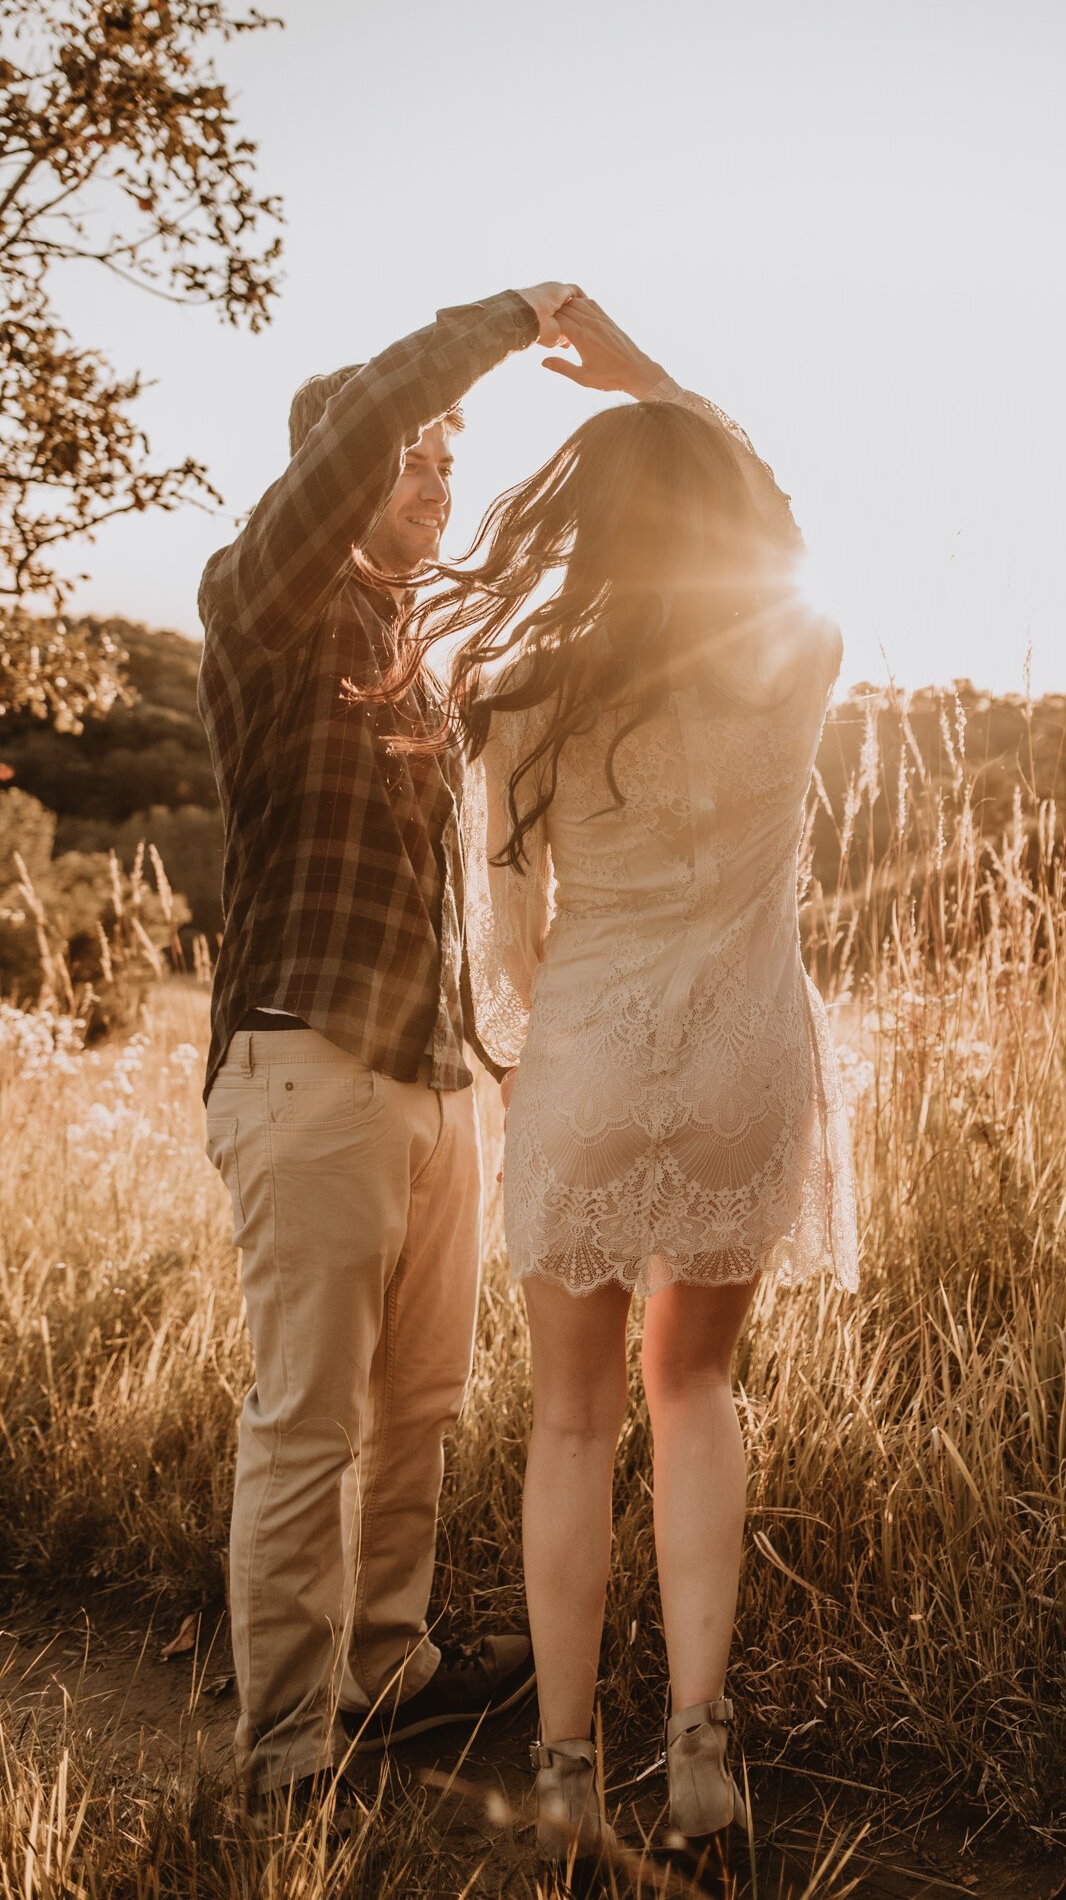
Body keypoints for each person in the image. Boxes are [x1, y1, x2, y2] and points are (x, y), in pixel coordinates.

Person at [380, 297, 859, 1880]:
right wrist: (659, 385)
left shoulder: (522, 695)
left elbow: (509, 950)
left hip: (590, 1060)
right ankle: (705, 1754)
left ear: (581, 524)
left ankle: (570, 1767)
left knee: (574, 1421)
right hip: (743, 1059)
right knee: (696, 1390)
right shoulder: (793, 658)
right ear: (715, 519)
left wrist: (581, 1023)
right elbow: (775, 518)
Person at [197, 280, 581, 1818]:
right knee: (306, 1412)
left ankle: (385, 1669)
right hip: (304, 1071)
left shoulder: (419, 653)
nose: (433, 481)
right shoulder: (266, 606)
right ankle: (286, 1748)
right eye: (409, 456)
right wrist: (502, 318)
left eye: (446, 462)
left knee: (420, 1400)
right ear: (332, 473)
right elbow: (356, 425)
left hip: (431, 1083)